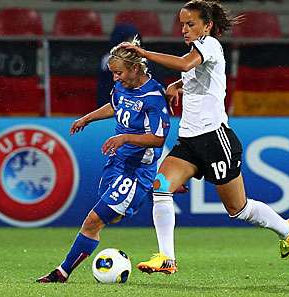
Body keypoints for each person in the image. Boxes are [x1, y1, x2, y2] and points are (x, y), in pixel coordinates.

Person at [121, 0, 289, 274]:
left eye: (190, 24)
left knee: (238, 209)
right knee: (161, 186)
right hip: (189, 141)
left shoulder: (210, 45)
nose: (184, 29)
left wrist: (143, 52)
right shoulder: (197, 52)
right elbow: (194, 73)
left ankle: (286, 228)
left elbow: (184, 64)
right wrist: (176, 85)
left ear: (208, 25)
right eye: (182, 24)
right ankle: (167, 259)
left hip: (215, 140)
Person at [36, 37, 171, 283]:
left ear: (135, 68)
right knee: (101, 220)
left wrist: (124, 138)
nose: (115, 78)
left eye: (119, 73)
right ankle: (149, 195)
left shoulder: (154, 96)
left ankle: (62, 272)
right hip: (116, 163)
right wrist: (87, 118)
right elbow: (114, 105)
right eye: (113, 73)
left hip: (136, 171)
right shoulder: (121, 87)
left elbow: (158, 139)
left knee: (94, 220)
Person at [97, 24, 141, 107]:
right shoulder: (108, 59)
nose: (131, 43)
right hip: (114, 103)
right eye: (128, 40)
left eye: (134, 40)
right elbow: (105, 88)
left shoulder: (143, 59)